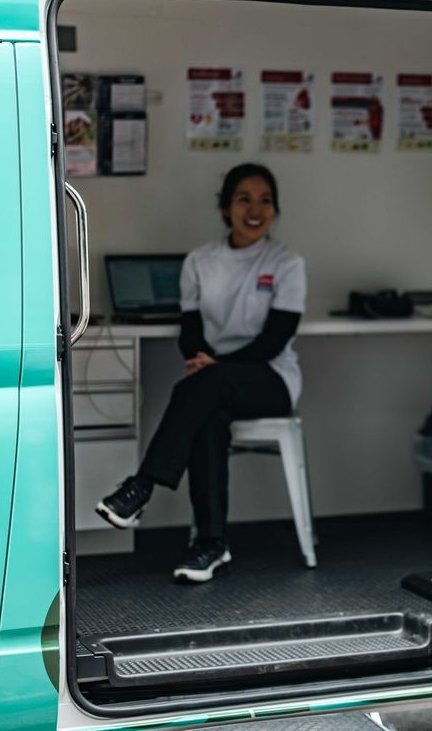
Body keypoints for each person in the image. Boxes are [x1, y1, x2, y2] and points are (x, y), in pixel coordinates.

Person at [97, 163, 305, 584]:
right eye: (244, 198)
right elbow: (190, 330)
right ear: (226, 207)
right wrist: (202, 359)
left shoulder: (287, 264)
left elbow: (274, 340)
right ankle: (211, 544)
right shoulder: (199, 261)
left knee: (206, 386)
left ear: (274, 210)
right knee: (208, 411)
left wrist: (215, 367)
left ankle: (141, 487)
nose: (255, 208)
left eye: (265, 200)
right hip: (212, 382)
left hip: (271, 380)